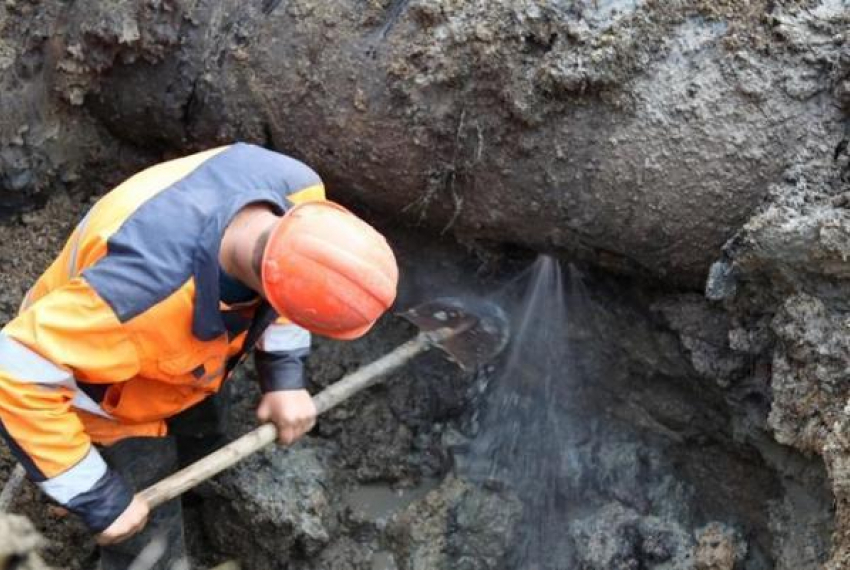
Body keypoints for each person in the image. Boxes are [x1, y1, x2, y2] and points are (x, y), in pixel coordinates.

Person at [0, 143, 399, 568]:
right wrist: (97, 497)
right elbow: (13, 370)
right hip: (105, 392)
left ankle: (198, 498)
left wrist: (284, 376)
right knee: (147, 547)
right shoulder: (138, 296)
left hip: (193, 362)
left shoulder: (300, 194)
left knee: (204, 434)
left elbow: (293, 283)